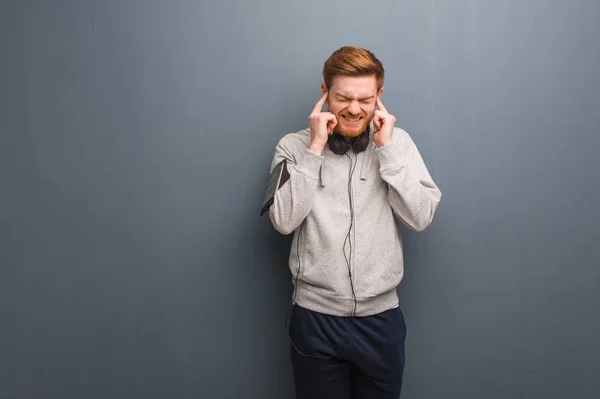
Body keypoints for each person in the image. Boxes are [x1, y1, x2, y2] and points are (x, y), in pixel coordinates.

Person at [265, 46, 442, 399]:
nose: (354, 109)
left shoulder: (399, 144)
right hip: (315, 319)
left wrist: (388, 151)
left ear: (379, 96)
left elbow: (420, 217)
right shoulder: (293, 146)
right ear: (325, 93)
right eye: (343, 98)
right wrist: (314, 150)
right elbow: (283, 221)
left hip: (381, 321)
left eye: (365, 99)